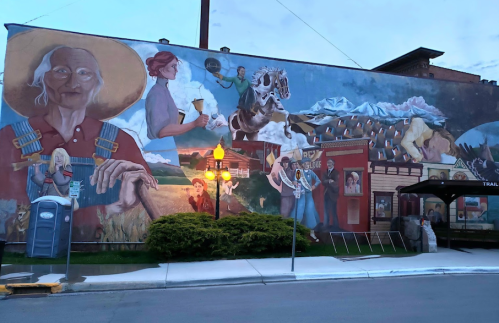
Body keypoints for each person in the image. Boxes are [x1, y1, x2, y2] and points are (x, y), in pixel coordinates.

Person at [1, 35, 159, 240]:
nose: (73, 82)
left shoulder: (120, 142)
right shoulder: (8, 139)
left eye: (84, 73)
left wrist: (132, 196)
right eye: (61, 71)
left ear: (96, 84)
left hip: (100, 258)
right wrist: (103, 211)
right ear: (43, 78)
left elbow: (149, 200)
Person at [145, 51, 209, 140]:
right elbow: (162, 131)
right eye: (173, 66)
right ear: (161, 69)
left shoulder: (164, 90)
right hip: (161, 149)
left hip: (167, 146)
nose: (176, 70)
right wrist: (194, 123)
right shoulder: (157, 93)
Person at [290, 158, 321, 242]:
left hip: (309, 196)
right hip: (301, 195)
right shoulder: (299, 172)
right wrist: (295, 183)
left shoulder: (311, 172)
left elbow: (318, 181)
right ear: (303, 165)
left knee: (310, 212)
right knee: (299, 211)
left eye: (308, 164)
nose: (307, 165)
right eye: (305, 164)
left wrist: (314, 186)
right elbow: (294, 181)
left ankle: (312, 233)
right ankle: (295, 231)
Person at [322, 159, 340, 231]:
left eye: (330, 163)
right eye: (328, 162)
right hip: (326, 194)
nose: (328, 164)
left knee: (333, 211)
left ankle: (336, 226)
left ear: (333, 164)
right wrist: (329, 181)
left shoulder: (336, 172)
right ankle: (325, 225)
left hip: (333, 195)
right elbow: (323, 182)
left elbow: (336, 183)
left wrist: (329, 182)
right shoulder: (325, 172)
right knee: (326, 210)